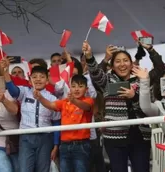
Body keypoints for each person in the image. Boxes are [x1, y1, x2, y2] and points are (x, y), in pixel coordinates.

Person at [82, 41, 151, 172]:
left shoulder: (141, 79)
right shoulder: (107, 80)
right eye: (118, 61)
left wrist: (134, 97)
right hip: (114, 137)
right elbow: (96, 73)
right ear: (112, 66)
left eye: (125, 60)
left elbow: (149, 106)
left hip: (140, 136)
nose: (122, 64)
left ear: (131, 64)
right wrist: (89, 56)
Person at [3, 59, 60, 172]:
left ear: (47, 81)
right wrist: (5, 71)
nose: (38, 79)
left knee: (43, 169)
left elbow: (56, 122)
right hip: (26, 138)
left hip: (45, 138)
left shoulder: (53, 99)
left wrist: (56, 145)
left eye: (42, 76)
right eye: (34, 77)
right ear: (29, 80)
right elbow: (13, 91)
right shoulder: (24, 92)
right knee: (24, 169)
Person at [33, 74, 94, 172]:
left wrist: (74, 101)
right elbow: (51, 105)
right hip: (64, 145)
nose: (76, 89)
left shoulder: (89, 100)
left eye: (80, 86)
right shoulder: (64, 102)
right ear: (70, 88)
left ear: (86, 89)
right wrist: (40, 98)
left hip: (81, 145)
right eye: (73, 86)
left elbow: (86, 107)